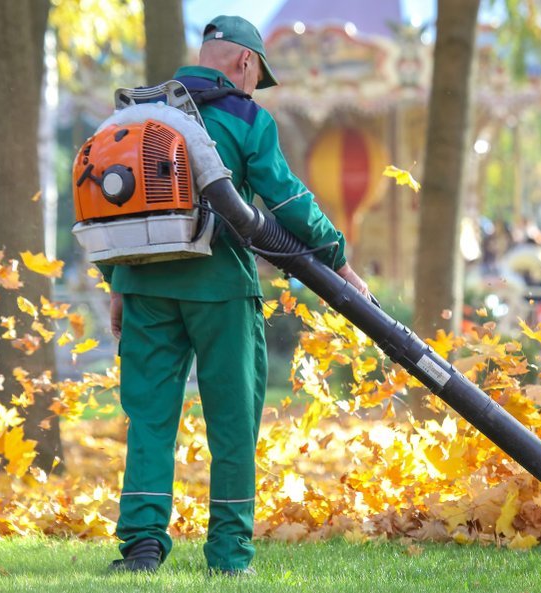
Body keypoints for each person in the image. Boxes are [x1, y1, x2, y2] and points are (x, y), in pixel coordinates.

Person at [103, 15, 369, 575]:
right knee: (232, 423)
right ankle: (228, 554)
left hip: (144, 287)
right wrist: (339, 261)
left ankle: (143, 546)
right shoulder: (246, 117)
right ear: (245, 63)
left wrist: (117, 284)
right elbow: (288, 203)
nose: (254, 86)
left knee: (149, 419)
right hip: (220, 287)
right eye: (256, 75)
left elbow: (109, 206)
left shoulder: (134, 115)